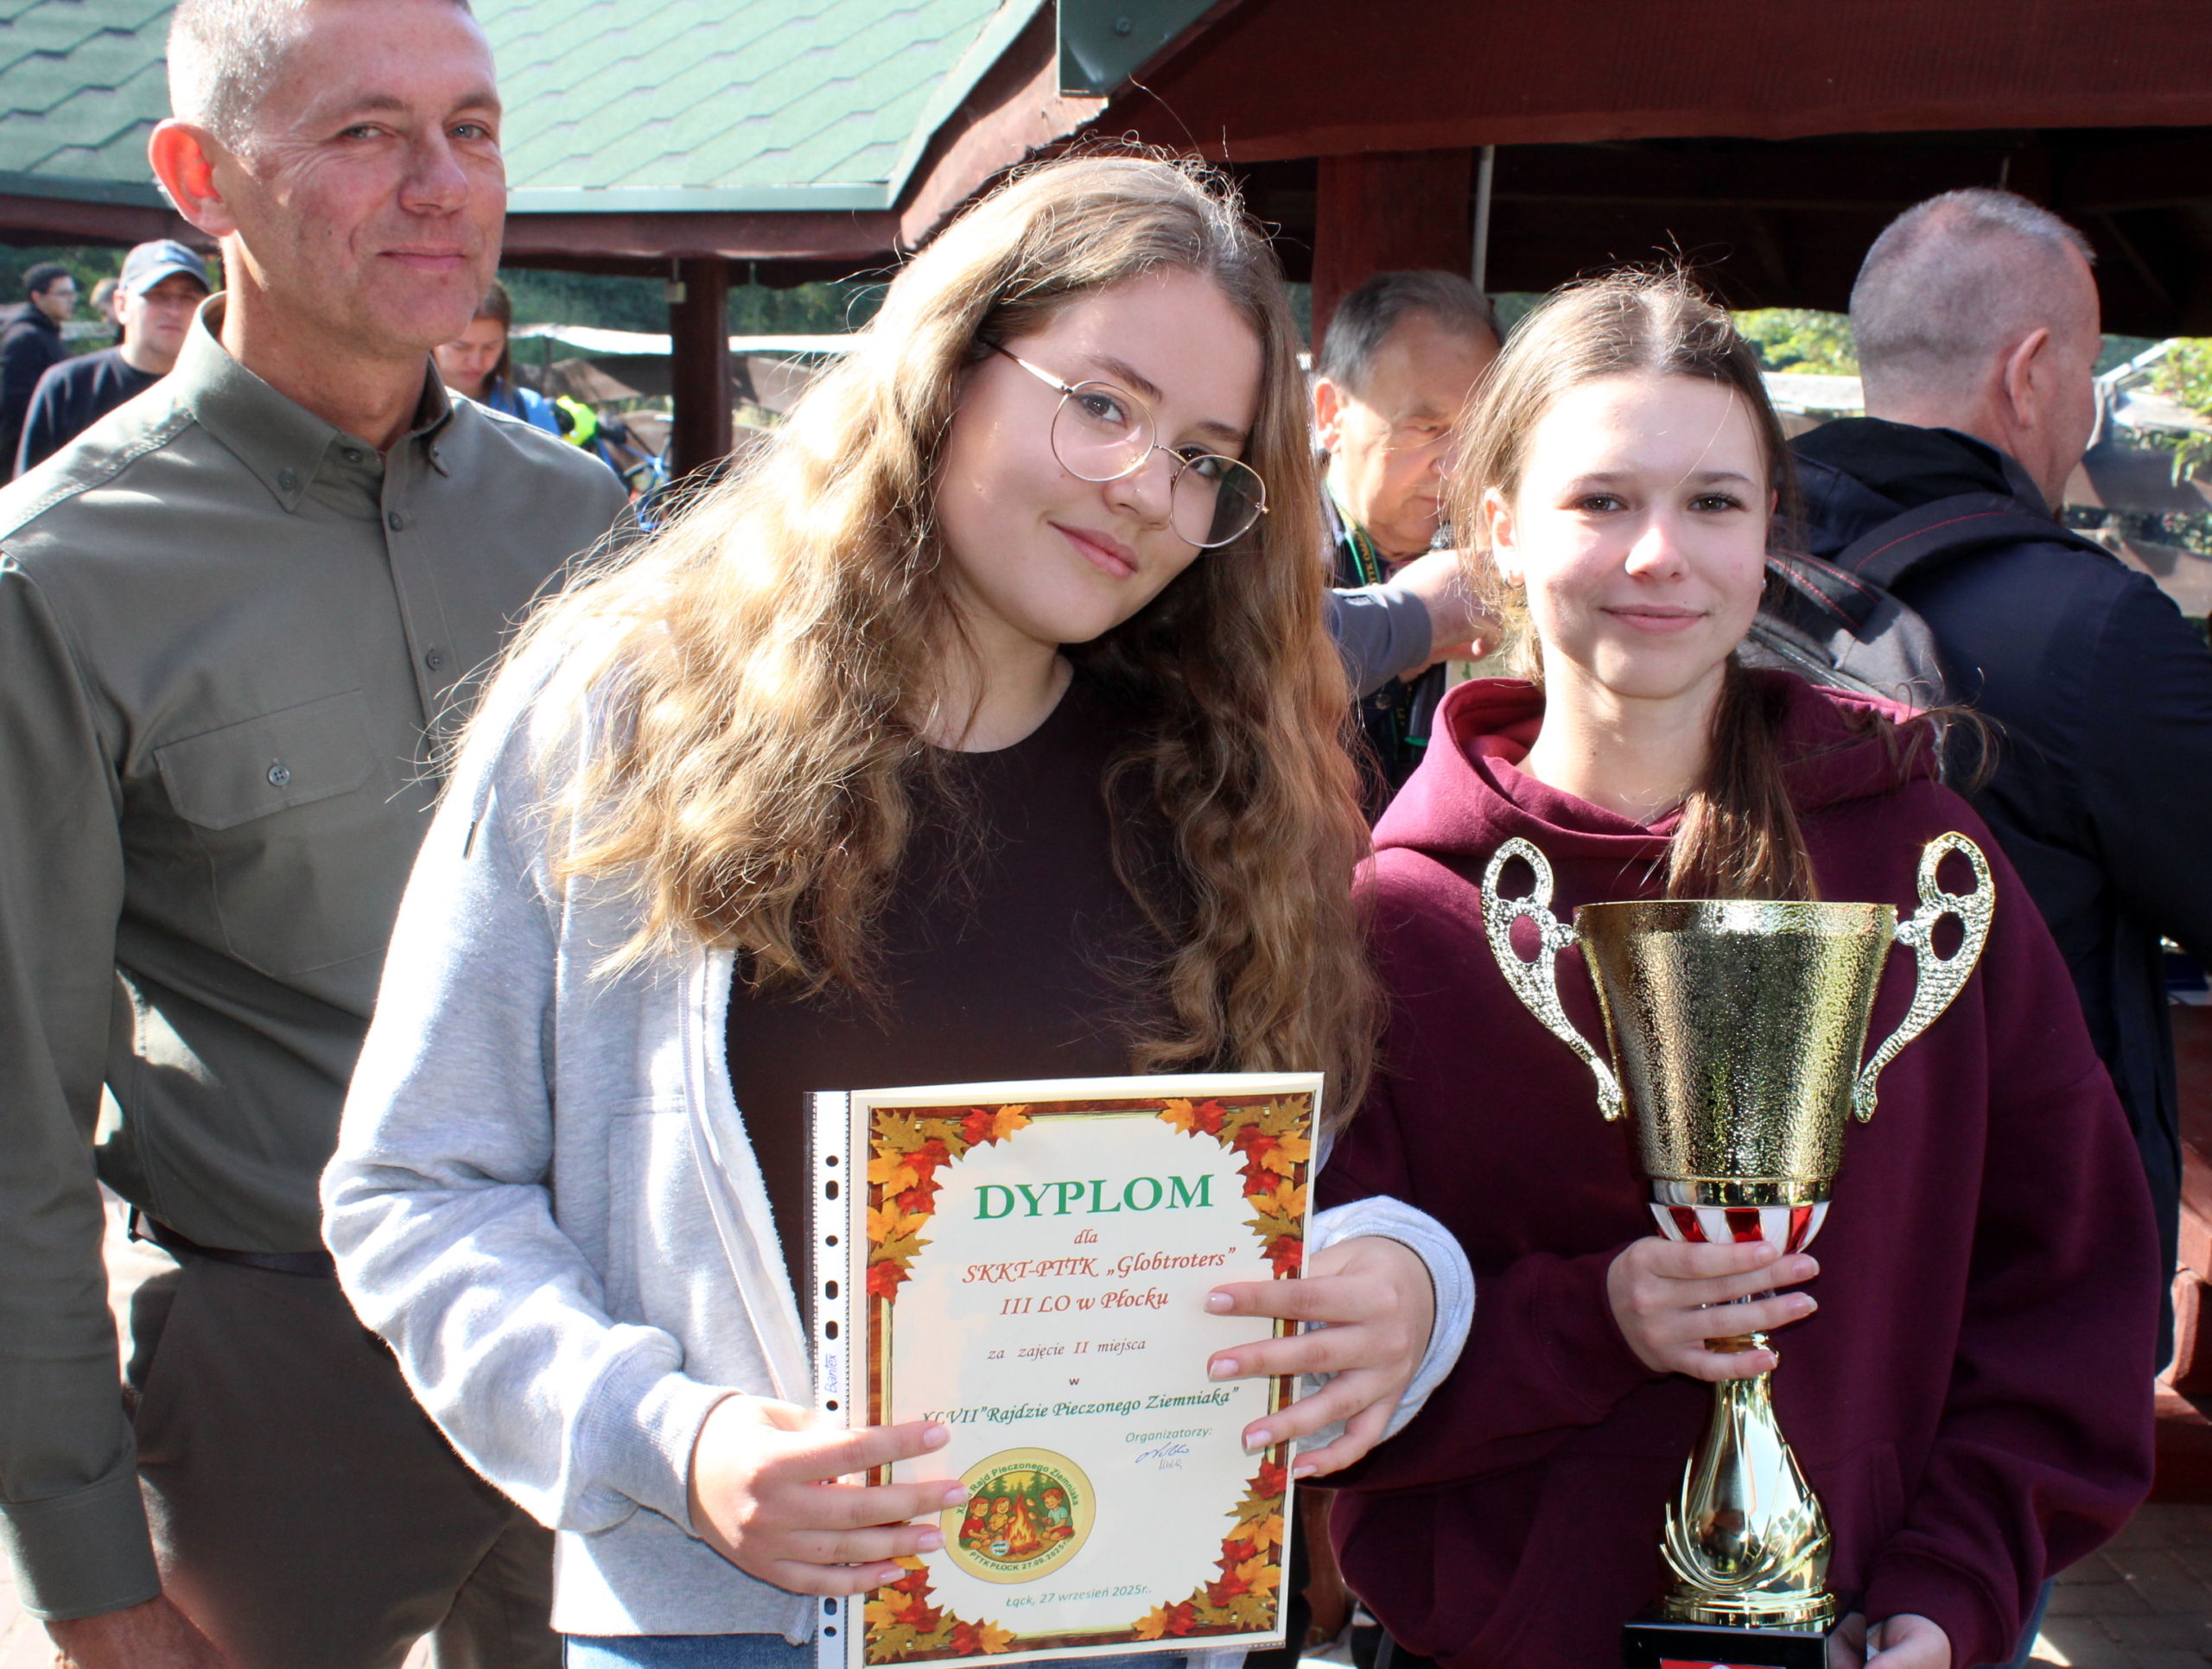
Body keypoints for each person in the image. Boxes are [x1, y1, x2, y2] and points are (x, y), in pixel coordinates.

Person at [321, 155, 1472, 1667]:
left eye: (1204, 458)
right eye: (1103, 404)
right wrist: (671, 1440)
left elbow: (1299, 1189)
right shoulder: (627, 708)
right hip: (721, 1639)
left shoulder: (1226, 781)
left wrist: (1405, 1284)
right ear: (947, 368)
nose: (1146, 488)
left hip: (1123, 1627)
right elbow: (418, 1187)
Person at [1318, 271, 2160, 1669]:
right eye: (1602, 501)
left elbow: (2068, 1276)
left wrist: (1954, 1583)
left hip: (1863, 1631)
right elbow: (1326, 1375)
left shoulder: (1922, 867)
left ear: (1770, 528)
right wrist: (1594, 1318)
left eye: (1712, 501)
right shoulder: (1402, 917)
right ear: (1500, 528)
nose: (1660, 554)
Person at [0, 0, 630, 1665]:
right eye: (366, 132)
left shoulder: (576, 517)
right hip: (279, 1374)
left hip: (601, 1344)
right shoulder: (56, 575)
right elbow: (14, 1125)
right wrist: (85, 1568)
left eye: (472, 130)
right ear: (201, 176)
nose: (442, 184)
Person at [1789, 188, 2212, 1366]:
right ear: (2028, 374)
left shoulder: (1716, 577)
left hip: (1743, 1235)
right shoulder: (2094, 631)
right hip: (2007, 1280)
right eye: (2088, 370)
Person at [1312, 270, 1501, 816]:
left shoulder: (1507, 557)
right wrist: (1414, 622)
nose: (1458, 466)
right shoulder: (1250, 538)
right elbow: (1237, 661)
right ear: (1331, 415)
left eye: (1479, 433)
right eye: (1427, 428)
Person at [15, 241, 212, 474]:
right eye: (156, 294)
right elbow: (30, 487)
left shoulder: (217, 391)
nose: (173, 309)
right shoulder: (69, 386)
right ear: (121, 305)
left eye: (188, 297)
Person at [433, 277, 560, 433]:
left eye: (490, 347)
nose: (475, 361)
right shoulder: (407, 407)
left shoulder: (529, 409)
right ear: (432, 339)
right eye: (461, 347)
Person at [0, 261, 77, 467]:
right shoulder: (25, 338)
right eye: (63, 294)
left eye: (73, 293)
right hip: (27, 453)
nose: (72, 300)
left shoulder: (48, 334)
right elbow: (15, 407)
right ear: (37, 297)